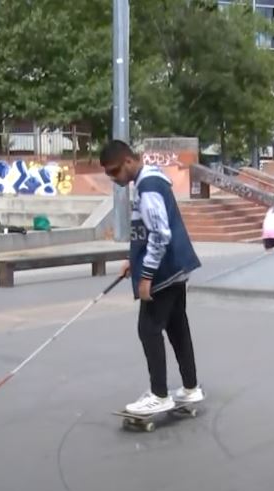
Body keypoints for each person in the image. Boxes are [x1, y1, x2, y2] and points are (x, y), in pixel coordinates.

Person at [99, 140, 204, 415]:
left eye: (115, 171)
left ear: (129, 162)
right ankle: (190, 388)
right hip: (175, 266)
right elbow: (146, 231)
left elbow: (160, 234)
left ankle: (159, 395)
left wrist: (145, 275)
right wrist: (131, 260)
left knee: (148, 329)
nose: (114, 179)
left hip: (163, 270)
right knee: (177, 327)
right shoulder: (152, 181)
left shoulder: (148, 187)